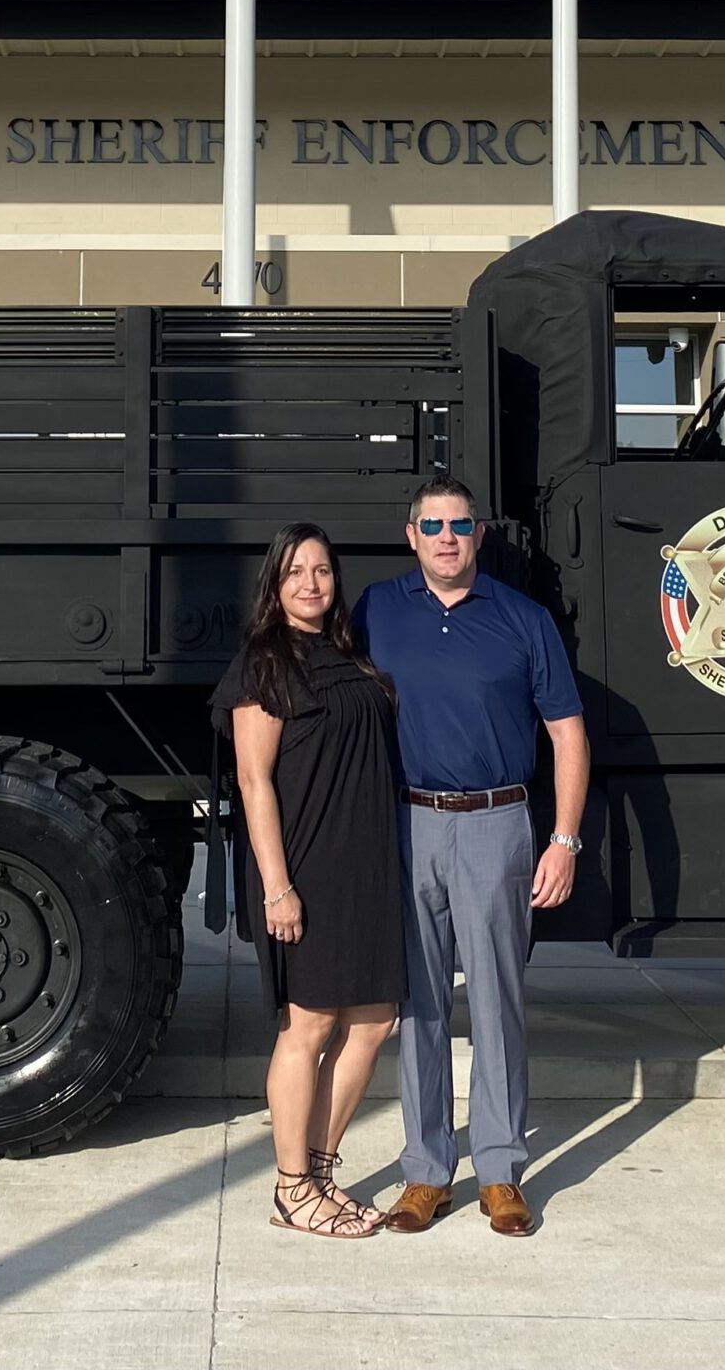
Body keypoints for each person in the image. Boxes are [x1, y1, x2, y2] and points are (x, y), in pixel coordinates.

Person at [352, 473, 588, 1239]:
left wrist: (564, 838)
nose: (447, 538)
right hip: (408, 822)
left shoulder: (523, 620)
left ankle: (499, 1170)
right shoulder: (378, 611)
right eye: (432, 525)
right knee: (417, 1003)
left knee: (496, 1001)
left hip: (498, 821)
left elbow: (566, 734)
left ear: (479, 535)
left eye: (460, 525)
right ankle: (425, 1173)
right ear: (410, 535)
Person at [213, 521, 405, 1239]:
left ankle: (320, 1172)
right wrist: (277, 888)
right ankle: (293, 1188)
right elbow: (253, 782)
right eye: (295, 571)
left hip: (369, 864)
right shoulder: (264, 663)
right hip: (306, 865)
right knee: (311, 1024)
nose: (310, 584)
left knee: (373, 1019)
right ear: (275, 581)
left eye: (322, 571)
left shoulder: (349, 655)